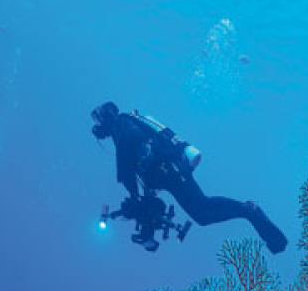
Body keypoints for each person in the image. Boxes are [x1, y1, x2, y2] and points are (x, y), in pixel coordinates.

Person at [91, 102, 287, 253]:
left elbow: (128, 159)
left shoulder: (122, 125)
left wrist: (133, 192)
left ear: (106, 118)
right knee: (203, 212)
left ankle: (248, 210)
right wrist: (140, 197)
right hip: (167, 172)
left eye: (98, 120)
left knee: (203, 209)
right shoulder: (125, 125)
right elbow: (136, 161)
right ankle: (249, 213)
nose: (97, 127)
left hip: (169, 169)